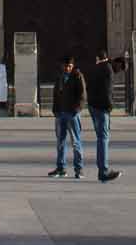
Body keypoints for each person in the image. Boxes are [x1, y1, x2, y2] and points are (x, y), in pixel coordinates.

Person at [85, 49, 120, 183]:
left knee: (101, 138)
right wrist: (109, 107)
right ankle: (103, 171)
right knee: (103, 139)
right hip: (102, 108)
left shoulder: (94, 69)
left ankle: (102, 169)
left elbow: (88, 88)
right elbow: (108, 91)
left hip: (93, 106)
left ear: (97, 58)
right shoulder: (107, 70)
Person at [49, 54, 85, 179]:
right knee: (60, 142)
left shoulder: (77, 76)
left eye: (69, 66)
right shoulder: (59, 77)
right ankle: (61, 168)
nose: (67, 68)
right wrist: (55, 110)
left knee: (76, 142)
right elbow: (55, 93)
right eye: (65, 66)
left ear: (73, 66)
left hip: (72, 114)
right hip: (61, 113)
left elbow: (82, 95)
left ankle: (79, 169)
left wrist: (76, 109)